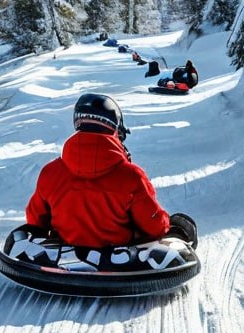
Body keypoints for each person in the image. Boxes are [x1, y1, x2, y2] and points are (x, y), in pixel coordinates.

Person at [25, 93, 197, 249]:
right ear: (114, 128)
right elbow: (154, 226)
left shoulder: (50, 172)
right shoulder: (132, 176)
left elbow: (35, 220)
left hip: (64, 255)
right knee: (181, 226)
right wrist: (168, 224)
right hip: (119, 259)